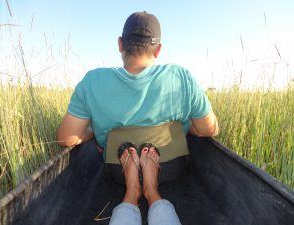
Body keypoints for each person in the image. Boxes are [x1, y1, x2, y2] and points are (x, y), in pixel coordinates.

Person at [57, 11, 218, 225]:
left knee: (124, 183)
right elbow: (209, 129)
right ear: (158, 49)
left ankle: (132, 190)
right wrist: (188, 127)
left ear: (120, 44)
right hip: (171, 167)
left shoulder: (92, 81)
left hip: (118, 169)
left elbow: (66, 138)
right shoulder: (181, 77)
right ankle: (152, 191)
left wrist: (93, 131)